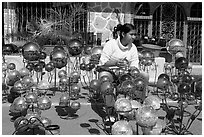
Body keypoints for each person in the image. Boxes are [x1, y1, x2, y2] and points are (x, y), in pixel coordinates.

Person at [98, 23, 140, 120]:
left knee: (144, 76)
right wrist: (115, 63)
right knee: (105, 80)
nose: (134, 37)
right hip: (109, 71)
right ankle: (110, 110)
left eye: (135, 35)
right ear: (123, 34)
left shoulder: (133, 47)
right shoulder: (111, 44)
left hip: (125, 73)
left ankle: (135, 106)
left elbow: (134, 63)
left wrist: (133, 69)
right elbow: (102, 63)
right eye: (131, 34)